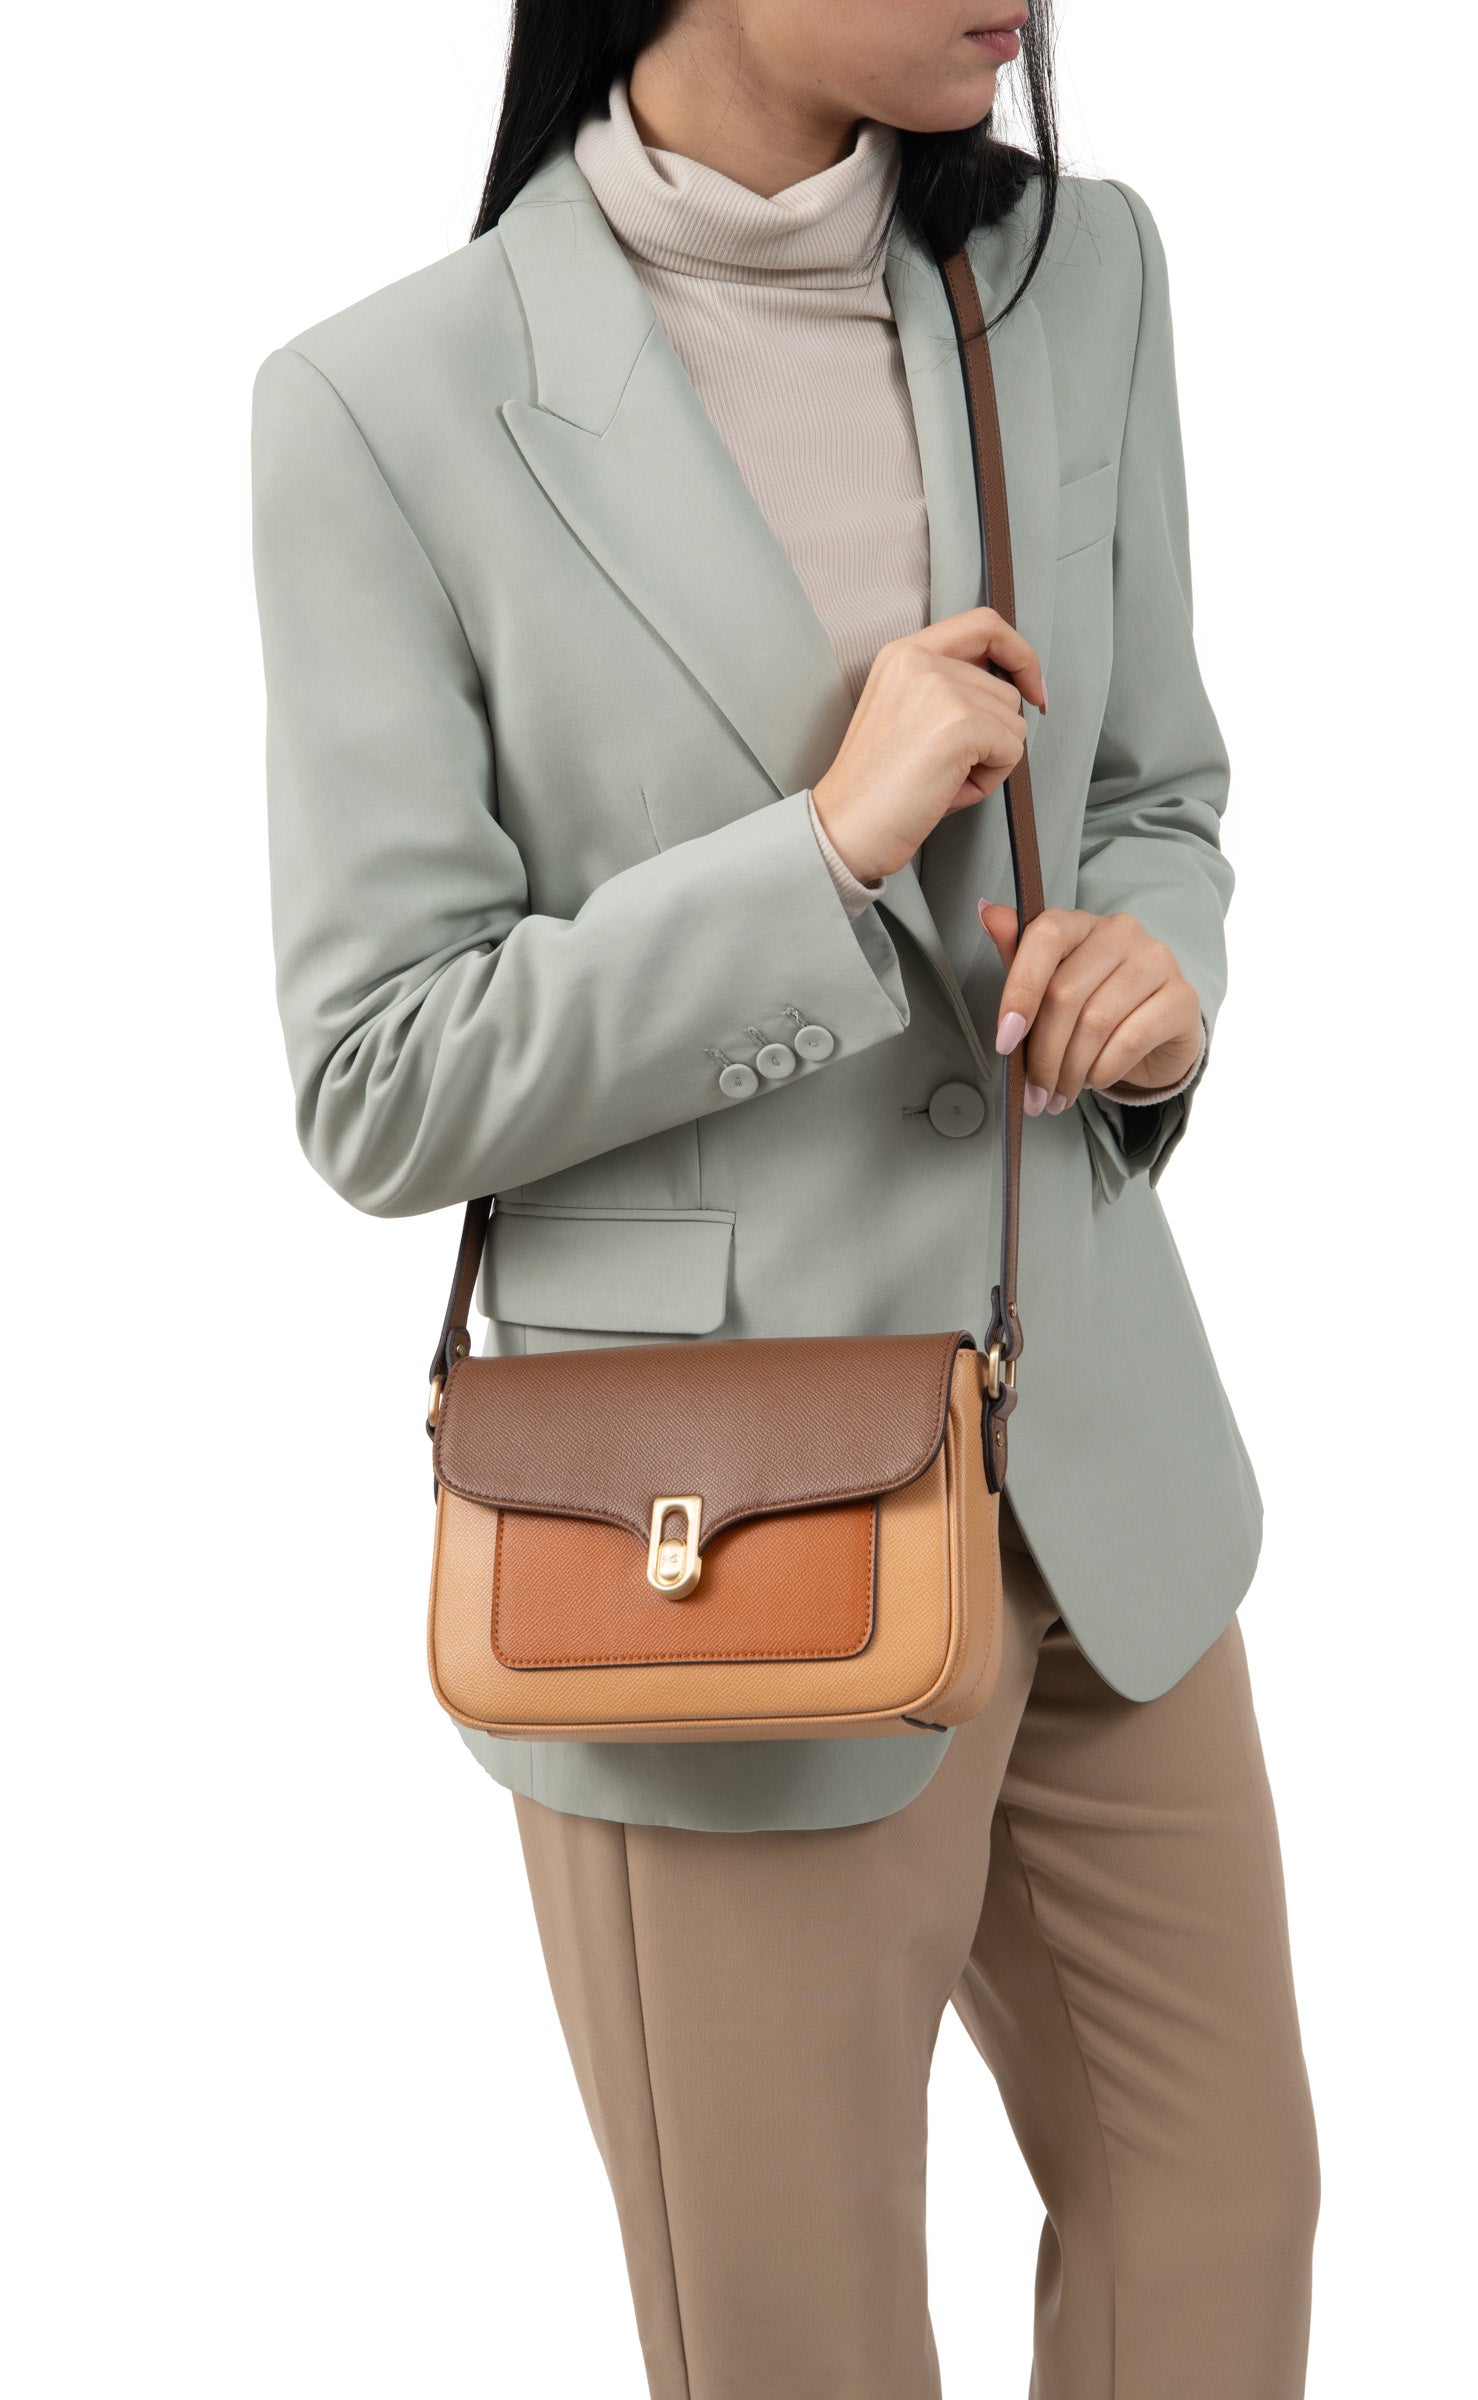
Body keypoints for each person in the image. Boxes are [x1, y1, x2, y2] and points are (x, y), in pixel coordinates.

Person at [252, 4, 1320, 2391]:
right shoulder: (383, 406)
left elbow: (1152, 790)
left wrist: (1154, 970)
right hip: (713, 1553)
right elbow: (378, 1076)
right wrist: (821, 850)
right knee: (798, 2343)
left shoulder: (1070, 277)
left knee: (1223, 2217)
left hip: (1096, 1471)